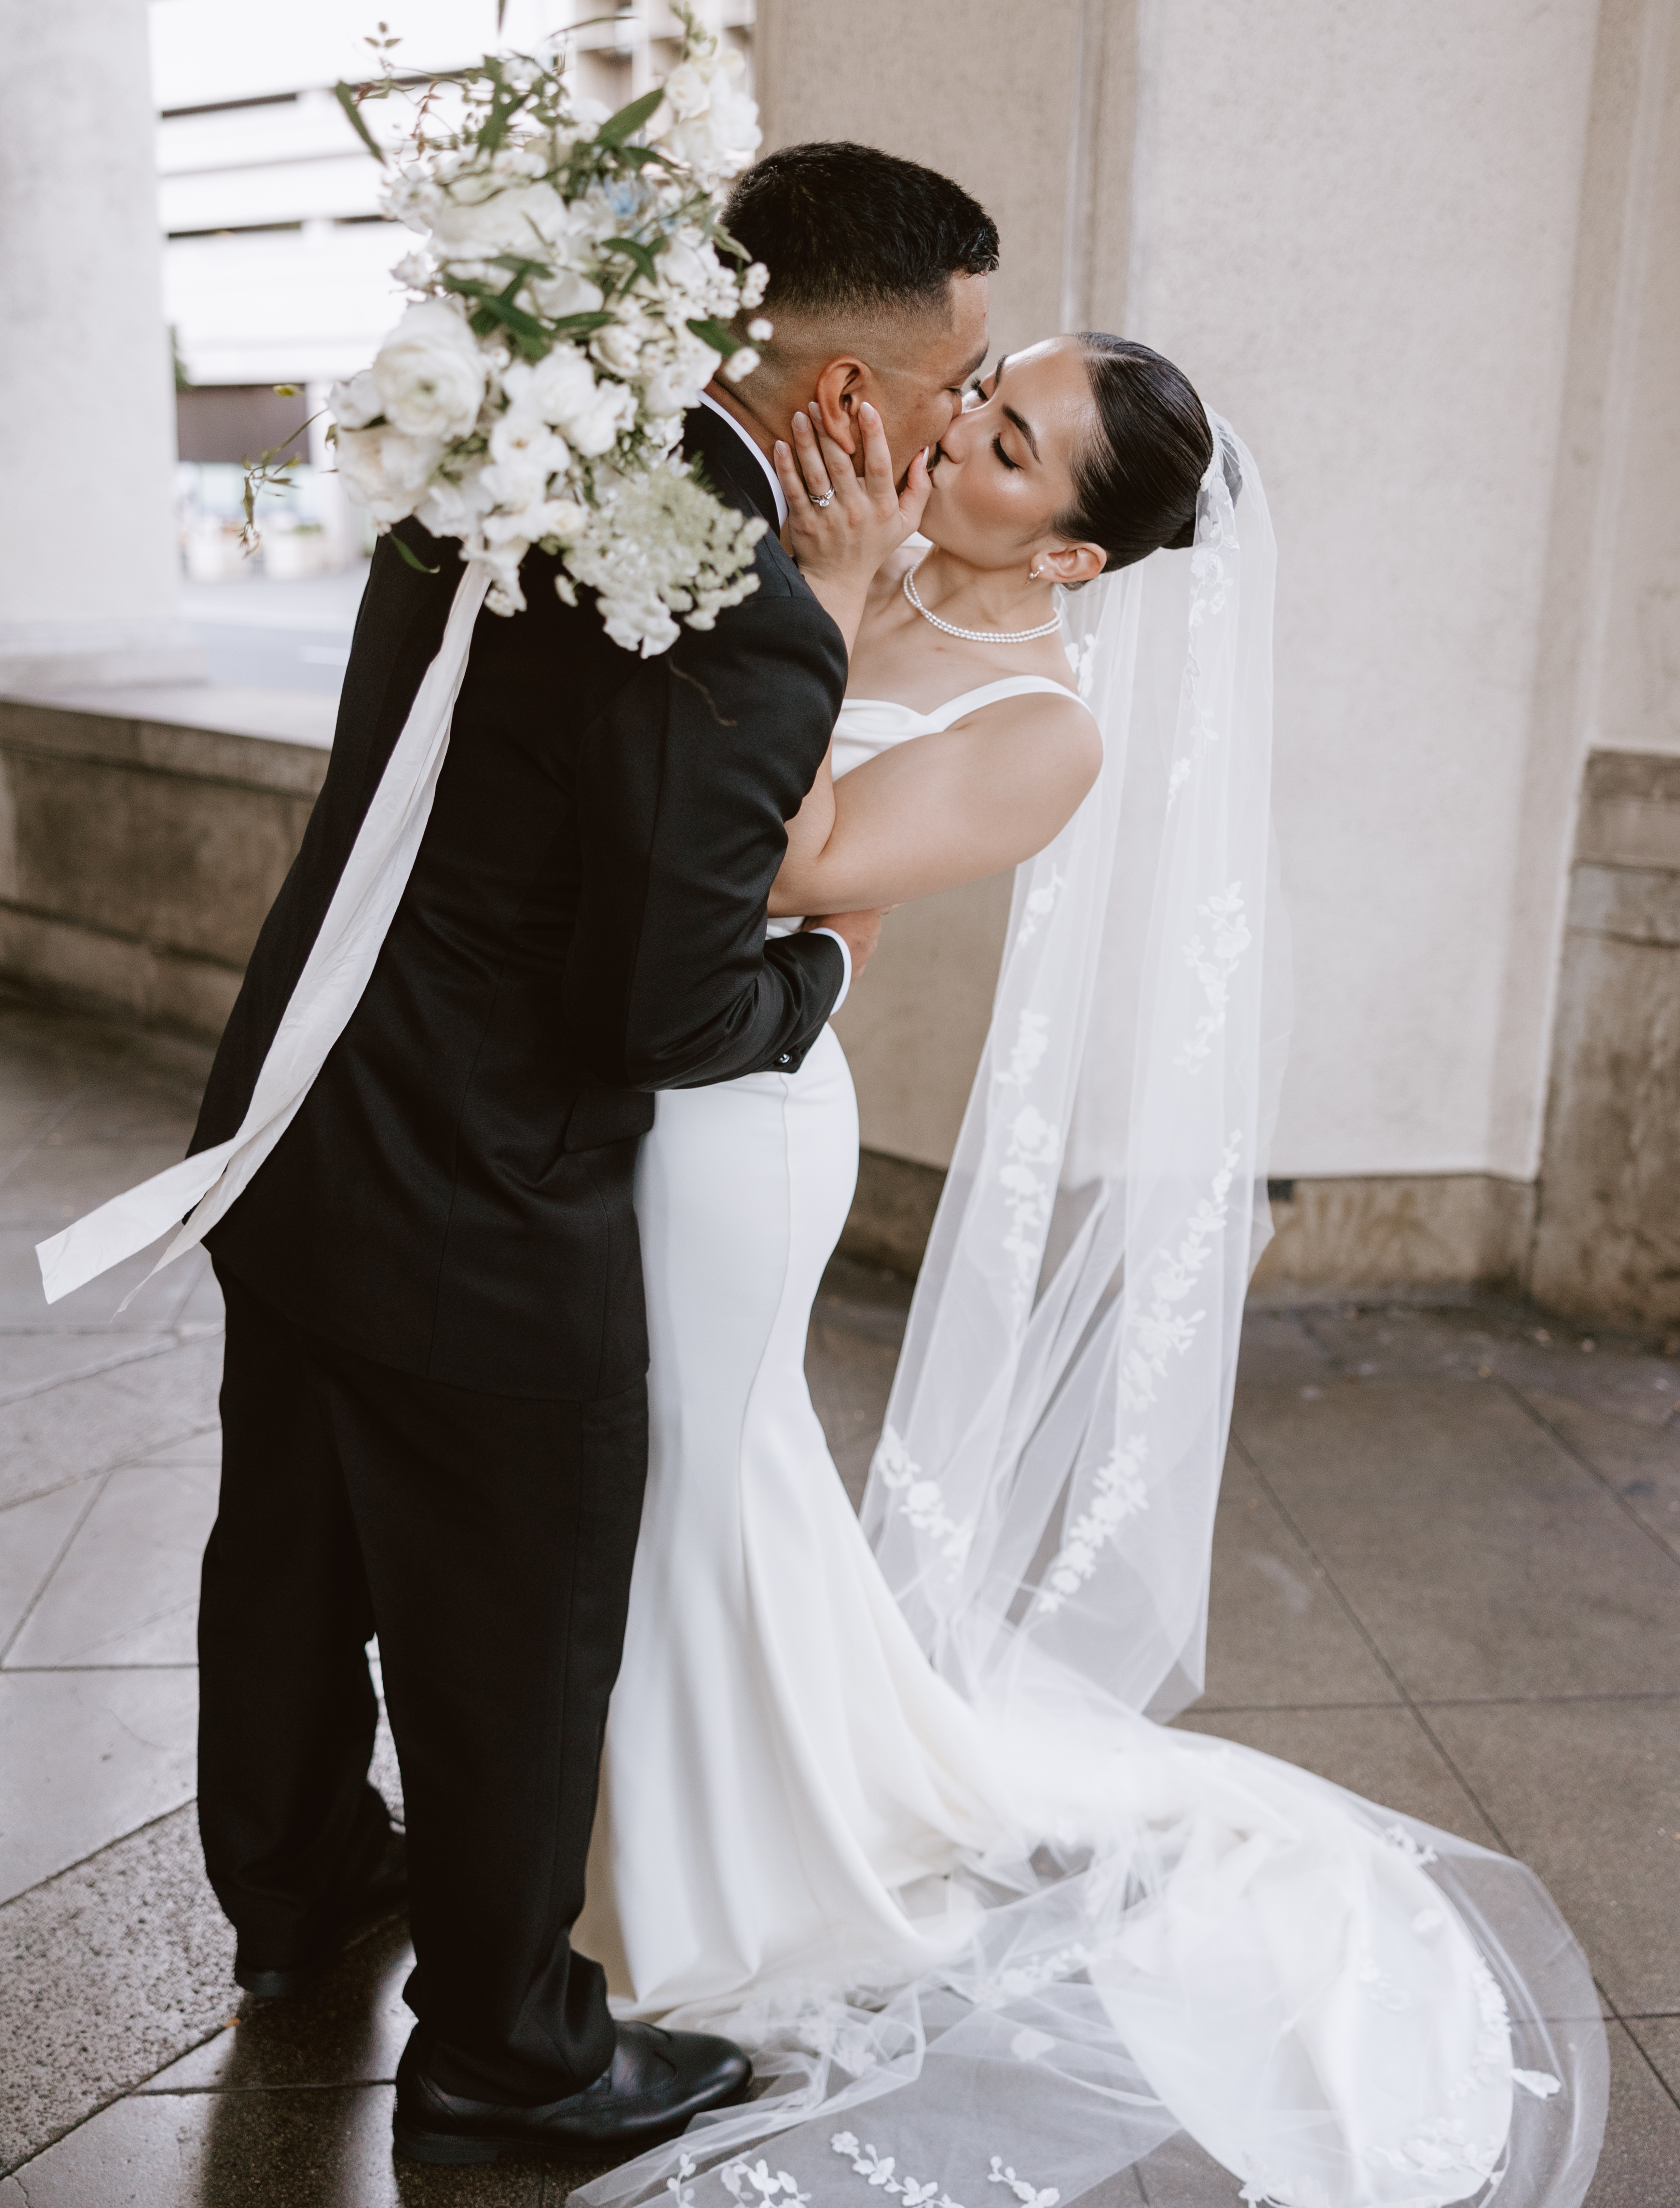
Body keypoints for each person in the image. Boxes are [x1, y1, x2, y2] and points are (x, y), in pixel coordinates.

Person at [424, 150, 1602, 2207]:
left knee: (689, 1464)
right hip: (630, 1083)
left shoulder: (1039, 727)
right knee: (655, 1471)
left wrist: (835, 602)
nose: (957, 424)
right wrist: (836, 587)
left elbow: (778, 867)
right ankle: (608, 1853)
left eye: (1011, 434)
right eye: (983, 393)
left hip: (740, 1124)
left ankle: (699, 1888)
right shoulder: (840, 559)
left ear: (1069, 558)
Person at [183, 143, 1002, 2156]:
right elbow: (662, 1006)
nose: (950, 424)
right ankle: (510, 2050)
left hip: (299, 1109)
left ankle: (289, 1889)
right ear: (838, 404)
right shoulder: (746, 613)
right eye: (942, 387)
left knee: (290, 1532)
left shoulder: (514, 440)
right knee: (514, 1616)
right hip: (479, 1193)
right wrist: (819, 971)